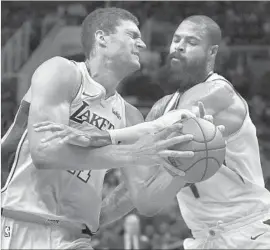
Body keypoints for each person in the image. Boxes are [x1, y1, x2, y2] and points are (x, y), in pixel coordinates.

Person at [38, 15, 270, 249]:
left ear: (212, 52)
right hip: (205, 238)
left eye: (191, 42)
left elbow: (177, 119)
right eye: (176, 39)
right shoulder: (162, 107)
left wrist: (106, 137)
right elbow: (135, 188)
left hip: (251, 230)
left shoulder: (219, 93)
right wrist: (87, 223)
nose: (179, 46)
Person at [1, 8, 197, 249]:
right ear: (102, 38)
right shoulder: (62, 72)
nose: (142, 43)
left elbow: (145, 199)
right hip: (18, 223)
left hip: (74, 238)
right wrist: (132, 154)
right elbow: (45, 152)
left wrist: (185, 165)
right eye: (132, 36)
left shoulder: (130, 116)